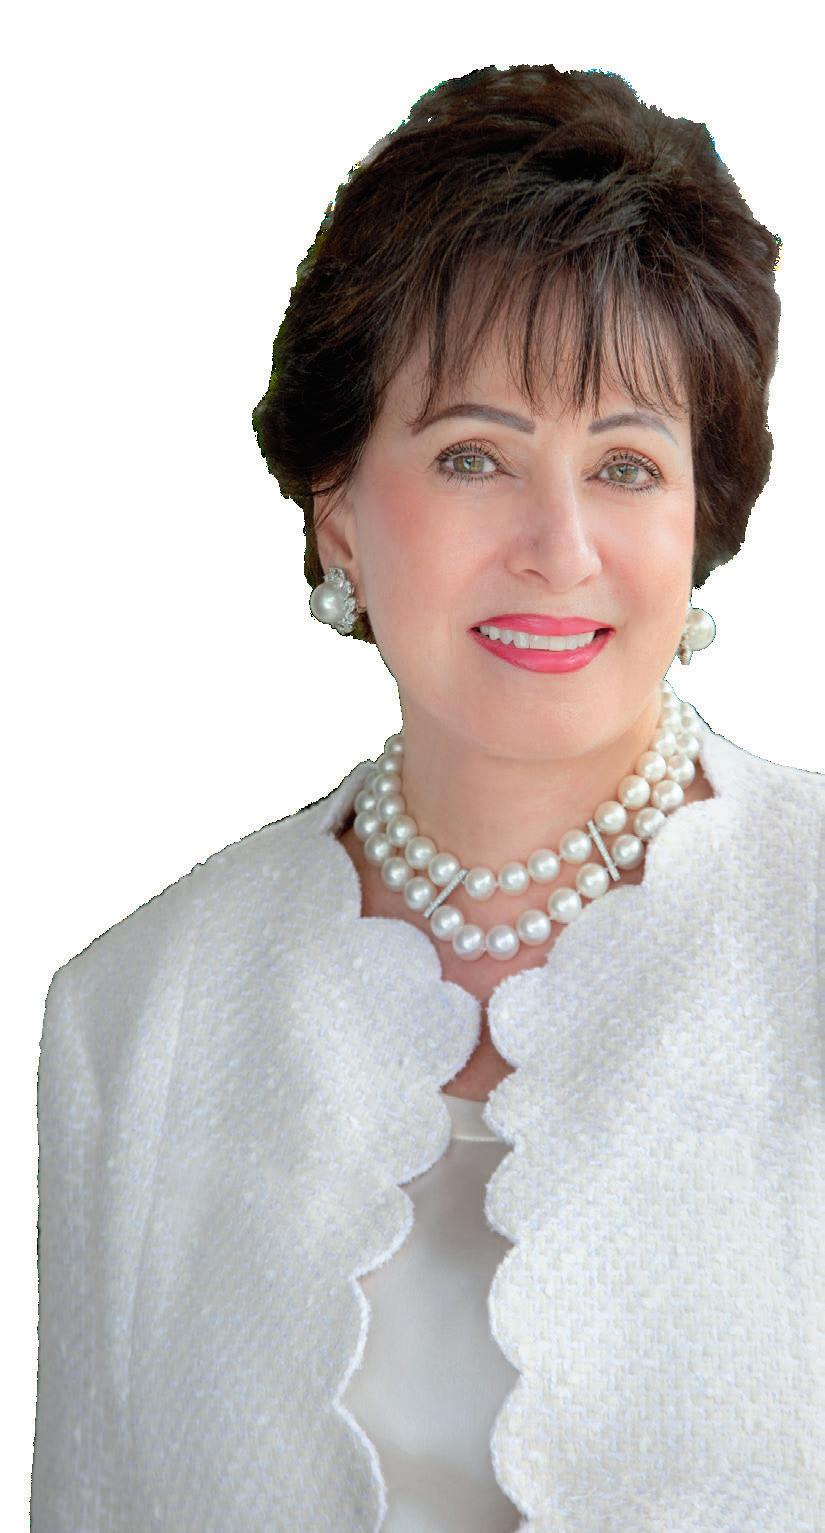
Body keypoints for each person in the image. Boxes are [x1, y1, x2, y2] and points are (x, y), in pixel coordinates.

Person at [32, 63, 824, 1533]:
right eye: (474, 455)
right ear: (336, 503)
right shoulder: (136, 1017)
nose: (560, 544)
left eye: (626, 464)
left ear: (699, 518)